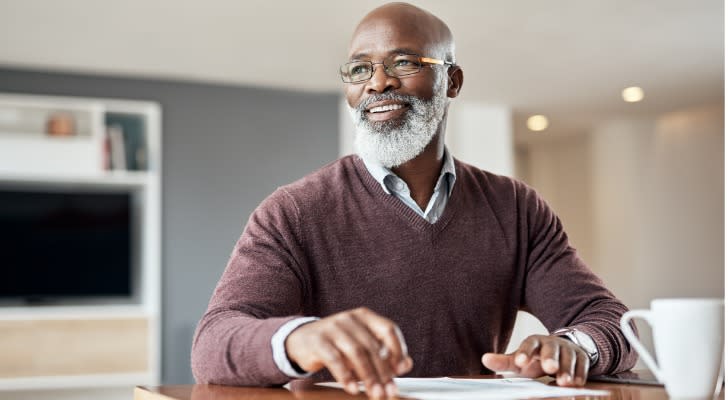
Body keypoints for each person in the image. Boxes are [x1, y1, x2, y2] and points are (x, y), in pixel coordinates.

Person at [191, 2, 637, 398]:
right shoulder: (294, 211)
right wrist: (300, 339)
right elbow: (213, 344)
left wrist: (575, 347)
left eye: (403, 62)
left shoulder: (516, 208)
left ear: (452, 81)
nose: (378, 83)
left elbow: (614, 322)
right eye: (359, 69)